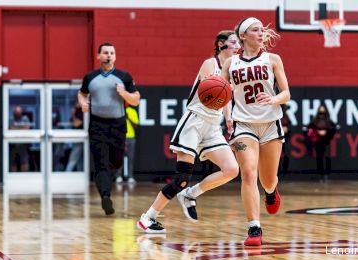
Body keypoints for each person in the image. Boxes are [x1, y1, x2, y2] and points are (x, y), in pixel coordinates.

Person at [137, 30, 240, 234]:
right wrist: (225, 92)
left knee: (231, 170)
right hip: (195, 121)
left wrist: (229, 118)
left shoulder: (233, 70)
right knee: (181, 179)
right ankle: (148, 218)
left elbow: (225, 97)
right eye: (234, 42)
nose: (238, 46)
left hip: (213, 127)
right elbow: (211, 92)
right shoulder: (211, 64)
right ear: (221, 45)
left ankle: (190, 194)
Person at [221, 17, 290, 246]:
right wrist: (227, 116)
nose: (261, 33)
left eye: (262, 30)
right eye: (255, 30)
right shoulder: (231, 64)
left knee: (267, 180)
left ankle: (271, 192)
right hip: (243, 125)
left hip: (271, 123)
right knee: (248, 173)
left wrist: (273, 99)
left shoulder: (273, 59)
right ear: (243, 35)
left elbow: (286, 94)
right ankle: (254, 228)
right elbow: (221, 94)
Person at [78, 42, 140, 215]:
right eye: (105, 53)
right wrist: (83, 103)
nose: (109, 55)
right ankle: (105, 196)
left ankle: (107, 186)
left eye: (112, 53)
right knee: (100, 163)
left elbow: (136, 99)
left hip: (118, 125)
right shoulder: (90, 77)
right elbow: (81, 94)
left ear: (115, 56)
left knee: (116, 162)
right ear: (98, 56)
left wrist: (124, 94)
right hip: (97, 125)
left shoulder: (124, 77)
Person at [306, 105, 337, 182]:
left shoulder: (329, 121)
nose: (322, 112)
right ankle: (321, 174)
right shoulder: (315, 121)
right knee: (319, 157)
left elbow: (334, 129)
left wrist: (326, 132)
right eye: (320, 110)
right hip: (318, 141)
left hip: (326, 141)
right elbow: (309, 129)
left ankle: (327, 174)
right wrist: (317, 132)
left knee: (327, 157)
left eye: (323, 110)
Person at [116, 104, 139, 183]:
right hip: (120, 137)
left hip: (130, 137)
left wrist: (128, 117)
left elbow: (135, 126)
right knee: (119, 158)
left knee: (130, 158)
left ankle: (130, 177)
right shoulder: (118, 111)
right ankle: (118, 176)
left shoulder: (132, 111)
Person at [9, 106, 31, 172]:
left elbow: (27, 128)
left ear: (21, 113)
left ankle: (24, 177)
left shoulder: (25, 118)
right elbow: (11, 128)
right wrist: (21, 127)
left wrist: (16, 128)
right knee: (12, 163)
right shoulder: (11, 119)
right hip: (13, 145)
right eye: (16, 113)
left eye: (19, 113)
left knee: (24, 162)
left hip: (23, 145)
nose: (18, 114)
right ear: (14, 113)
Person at [65, 102, 84, 172]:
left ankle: (67, 173)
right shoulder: (78, 112)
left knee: (73, 158)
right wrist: (74, 113)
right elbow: (71, 122)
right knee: (79, 159)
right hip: (77, 139)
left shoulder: (83, 112)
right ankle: (80, 174)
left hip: (81, 139)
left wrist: (73, 113)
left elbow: (77, 124)